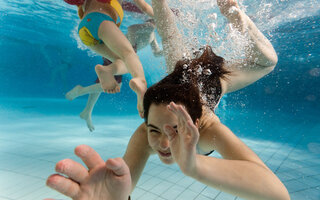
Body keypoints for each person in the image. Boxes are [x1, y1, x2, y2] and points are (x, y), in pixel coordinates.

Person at [47, 0, 290, 199]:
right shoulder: (146, 133)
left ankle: (237, 16)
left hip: (208, 82)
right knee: (173, 48)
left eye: (175, 130)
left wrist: (194, 166)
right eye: (155, 129)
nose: (163, 144)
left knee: (268, 62)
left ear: (194, 123)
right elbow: (120, 188)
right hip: (181, 75)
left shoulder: (209, 129)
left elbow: (278, 194)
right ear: (147, 121)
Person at [65, 19, 163, 132]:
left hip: (119, 54)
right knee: (116, 84)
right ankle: (81, 91)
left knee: (104, 81)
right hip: (119, 53)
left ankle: (87, 111)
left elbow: (156, 53)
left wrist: (168, 50)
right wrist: (131, 51)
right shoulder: (150, 26)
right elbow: (131, 29)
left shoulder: (153, 35)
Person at [63, 0, 155, 117]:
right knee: (129, 54)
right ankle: (140, 81)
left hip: (84, 29)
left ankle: (109, 70)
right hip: (101, 20)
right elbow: (145, 8)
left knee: (124, 63)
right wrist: (161, 17)